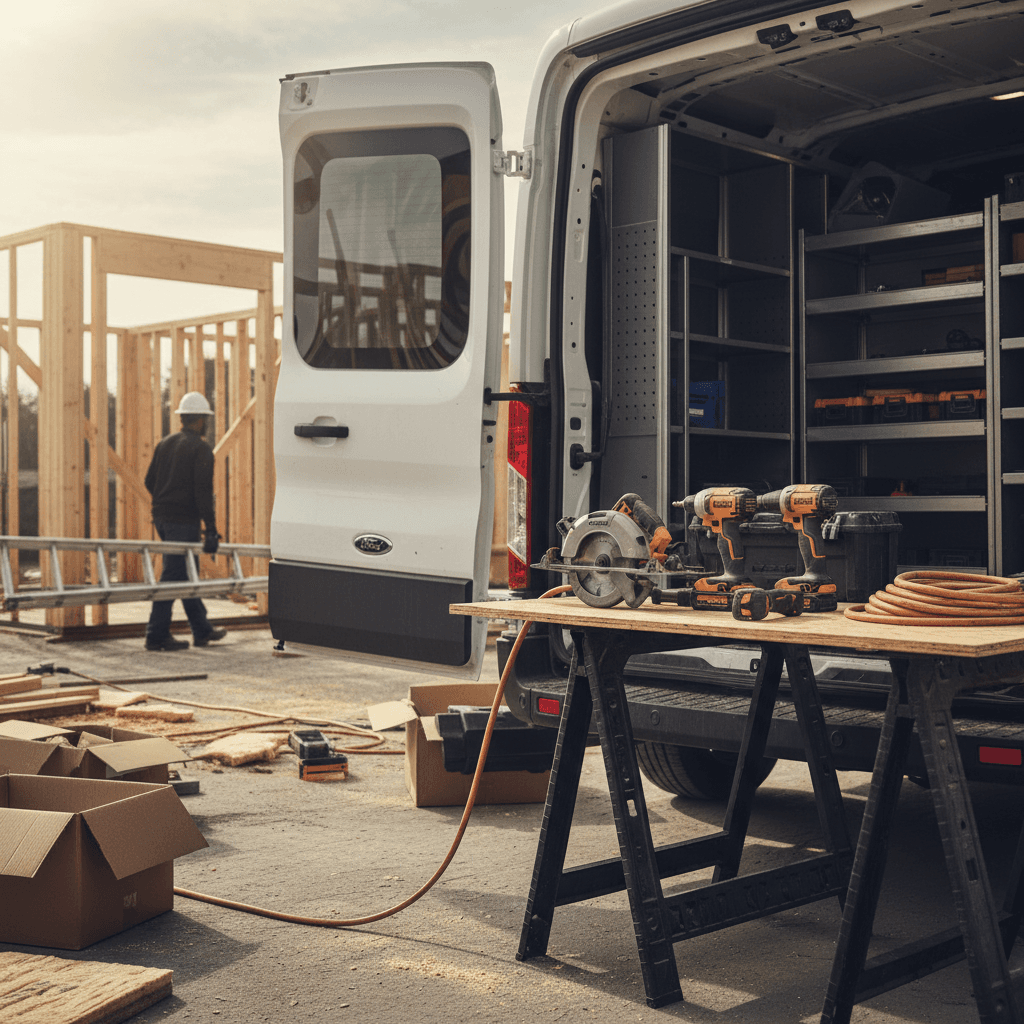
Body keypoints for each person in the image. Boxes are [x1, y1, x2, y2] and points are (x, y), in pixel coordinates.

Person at [143, 391, 227, 651]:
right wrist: (211, 530)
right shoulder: (201, 449)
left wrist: (164, 503)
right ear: (201, 420)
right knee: (174, 574)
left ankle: (202, 630)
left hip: (163, 518)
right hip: (183, 521)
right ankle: (156, 635)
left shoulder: (165, 443)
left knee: (186, 572)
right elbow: (203, 493)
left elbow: (149, 481)